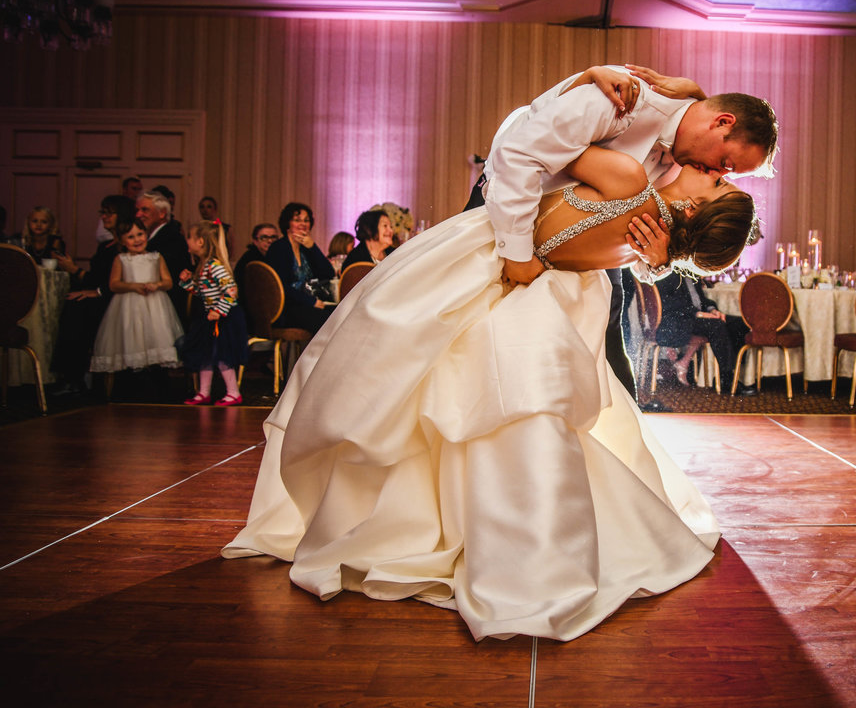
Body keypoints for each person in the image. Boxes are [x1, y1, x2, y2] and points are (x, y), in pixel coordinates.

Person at [223, 144, 756, 642]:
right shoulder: (641, 229)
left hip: (490, 260)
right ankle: (515, 542)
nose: (717, 172)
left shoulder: (630, 182)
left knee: (430, 394)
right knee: (463, 404)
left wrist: (589, 87)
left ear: (689, 209)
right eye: (720, 172)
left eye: (716, 185)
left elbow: (524, 144)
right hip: (523, 284)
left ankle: (464, 533)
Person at [471, 63, 777, 403]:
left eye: (724, 174)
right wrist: (518, 256)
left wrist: (660, 261)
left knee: (596, 337)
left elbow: (650, 234)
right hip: (503, 210)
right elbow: (520, 152)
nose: (717, 171)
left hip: (570, 267)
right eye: (727, 166)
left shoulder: (687, 160)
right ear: (722, 123)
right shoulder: (624, 99)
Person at [50, 195, 136, 395]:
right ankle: (72, 375)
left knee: (78, 310)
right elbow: (94, 278)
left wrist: (76, 272)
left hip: (118, 299)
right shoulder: (105, 247)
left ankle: (75, 377)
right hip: (102, 295)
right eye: (102, 212)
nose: (104, 217)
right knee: (73, 303)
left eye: (108, 213)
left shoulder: (126, 246)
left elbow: (120, 280)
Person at [89, 219, 185, 374]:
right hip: (128, 305)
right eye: (131, 237)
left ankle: (157, 376)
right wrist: (133, 286)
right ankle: (132, 376)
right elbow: (114, 284)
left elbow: (168, 282)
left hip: (155, 305)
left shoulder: (156, 257)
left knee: (156, 336)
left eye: (140, 234)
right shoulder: (121, 259)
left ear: (146, 234)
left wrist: (157, 285)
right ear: (122, 241)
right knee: (132, 334)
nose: (137, 240)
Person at [179, 222, 249, 406]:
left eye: (189, 237)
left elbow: (231, 290)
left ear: (200, 242)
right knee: (206, 355)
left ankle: (233, 392)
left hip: (224, 318)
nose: (187, 241)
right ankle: (203, 392)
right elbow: (204, 293)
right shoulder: (204, 266)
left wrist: (219, 310)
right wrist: (187, 283)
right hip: (211, 316)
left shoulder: (215, 266)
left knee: (223, 355)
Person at [655, 269, 747, 390]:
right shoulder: (668, 274)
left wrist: (712, 310)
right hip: (678, 321)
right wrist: (699, 314)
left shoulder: (692, 273)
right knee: (716, 325)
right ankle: (727, 378)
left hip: (694, 317)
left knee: (739, 323)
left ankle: (733, 375)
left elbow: (701, 299)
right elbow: (669, 304)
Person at [265, 202, 336, 334]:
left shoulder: (307, 248)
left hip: (309, 303)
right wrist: (311, 302)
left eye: (306, 220)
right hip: (286, 307)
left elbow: (328, 273)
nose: (302, 224)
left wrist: (313, 247)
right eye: (297, 220)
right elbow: (280, 285)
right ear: (287, 224)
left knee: (342, 315)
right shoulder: (279, 248)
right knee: (327, 321)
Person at [136, 191, 190, 320]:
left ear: (162, 213)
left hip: (164, 305)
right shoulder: (148, 237)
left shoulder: (172, 238)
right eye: (137, 210)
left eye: (144, 210)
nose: (138, 215)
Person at [234, 223, 279, 290]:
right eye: (264, 237)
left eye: (273, 237)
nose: (270, 241)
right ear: (255, 241)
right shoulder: (250, 260)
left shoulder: (277, 255)